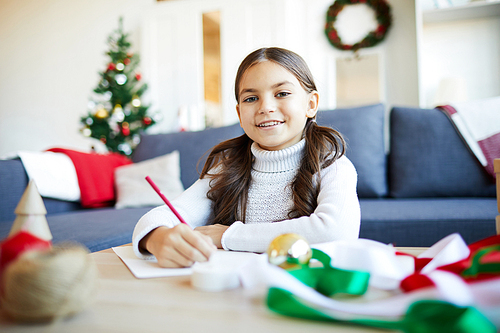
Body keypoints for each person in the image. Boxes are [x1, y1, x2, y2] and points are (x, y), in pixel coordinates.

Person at [132, 47, 360, 268]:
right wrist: (157, 238)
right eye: (251, 98)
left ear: (311, 104)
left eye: (282, 93)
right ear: (240, 114)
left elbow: (337, 231)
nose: (266, 107)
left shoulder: (333, 166)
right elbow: (160, 217)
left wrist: (228, 236)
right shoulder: (226, 169)